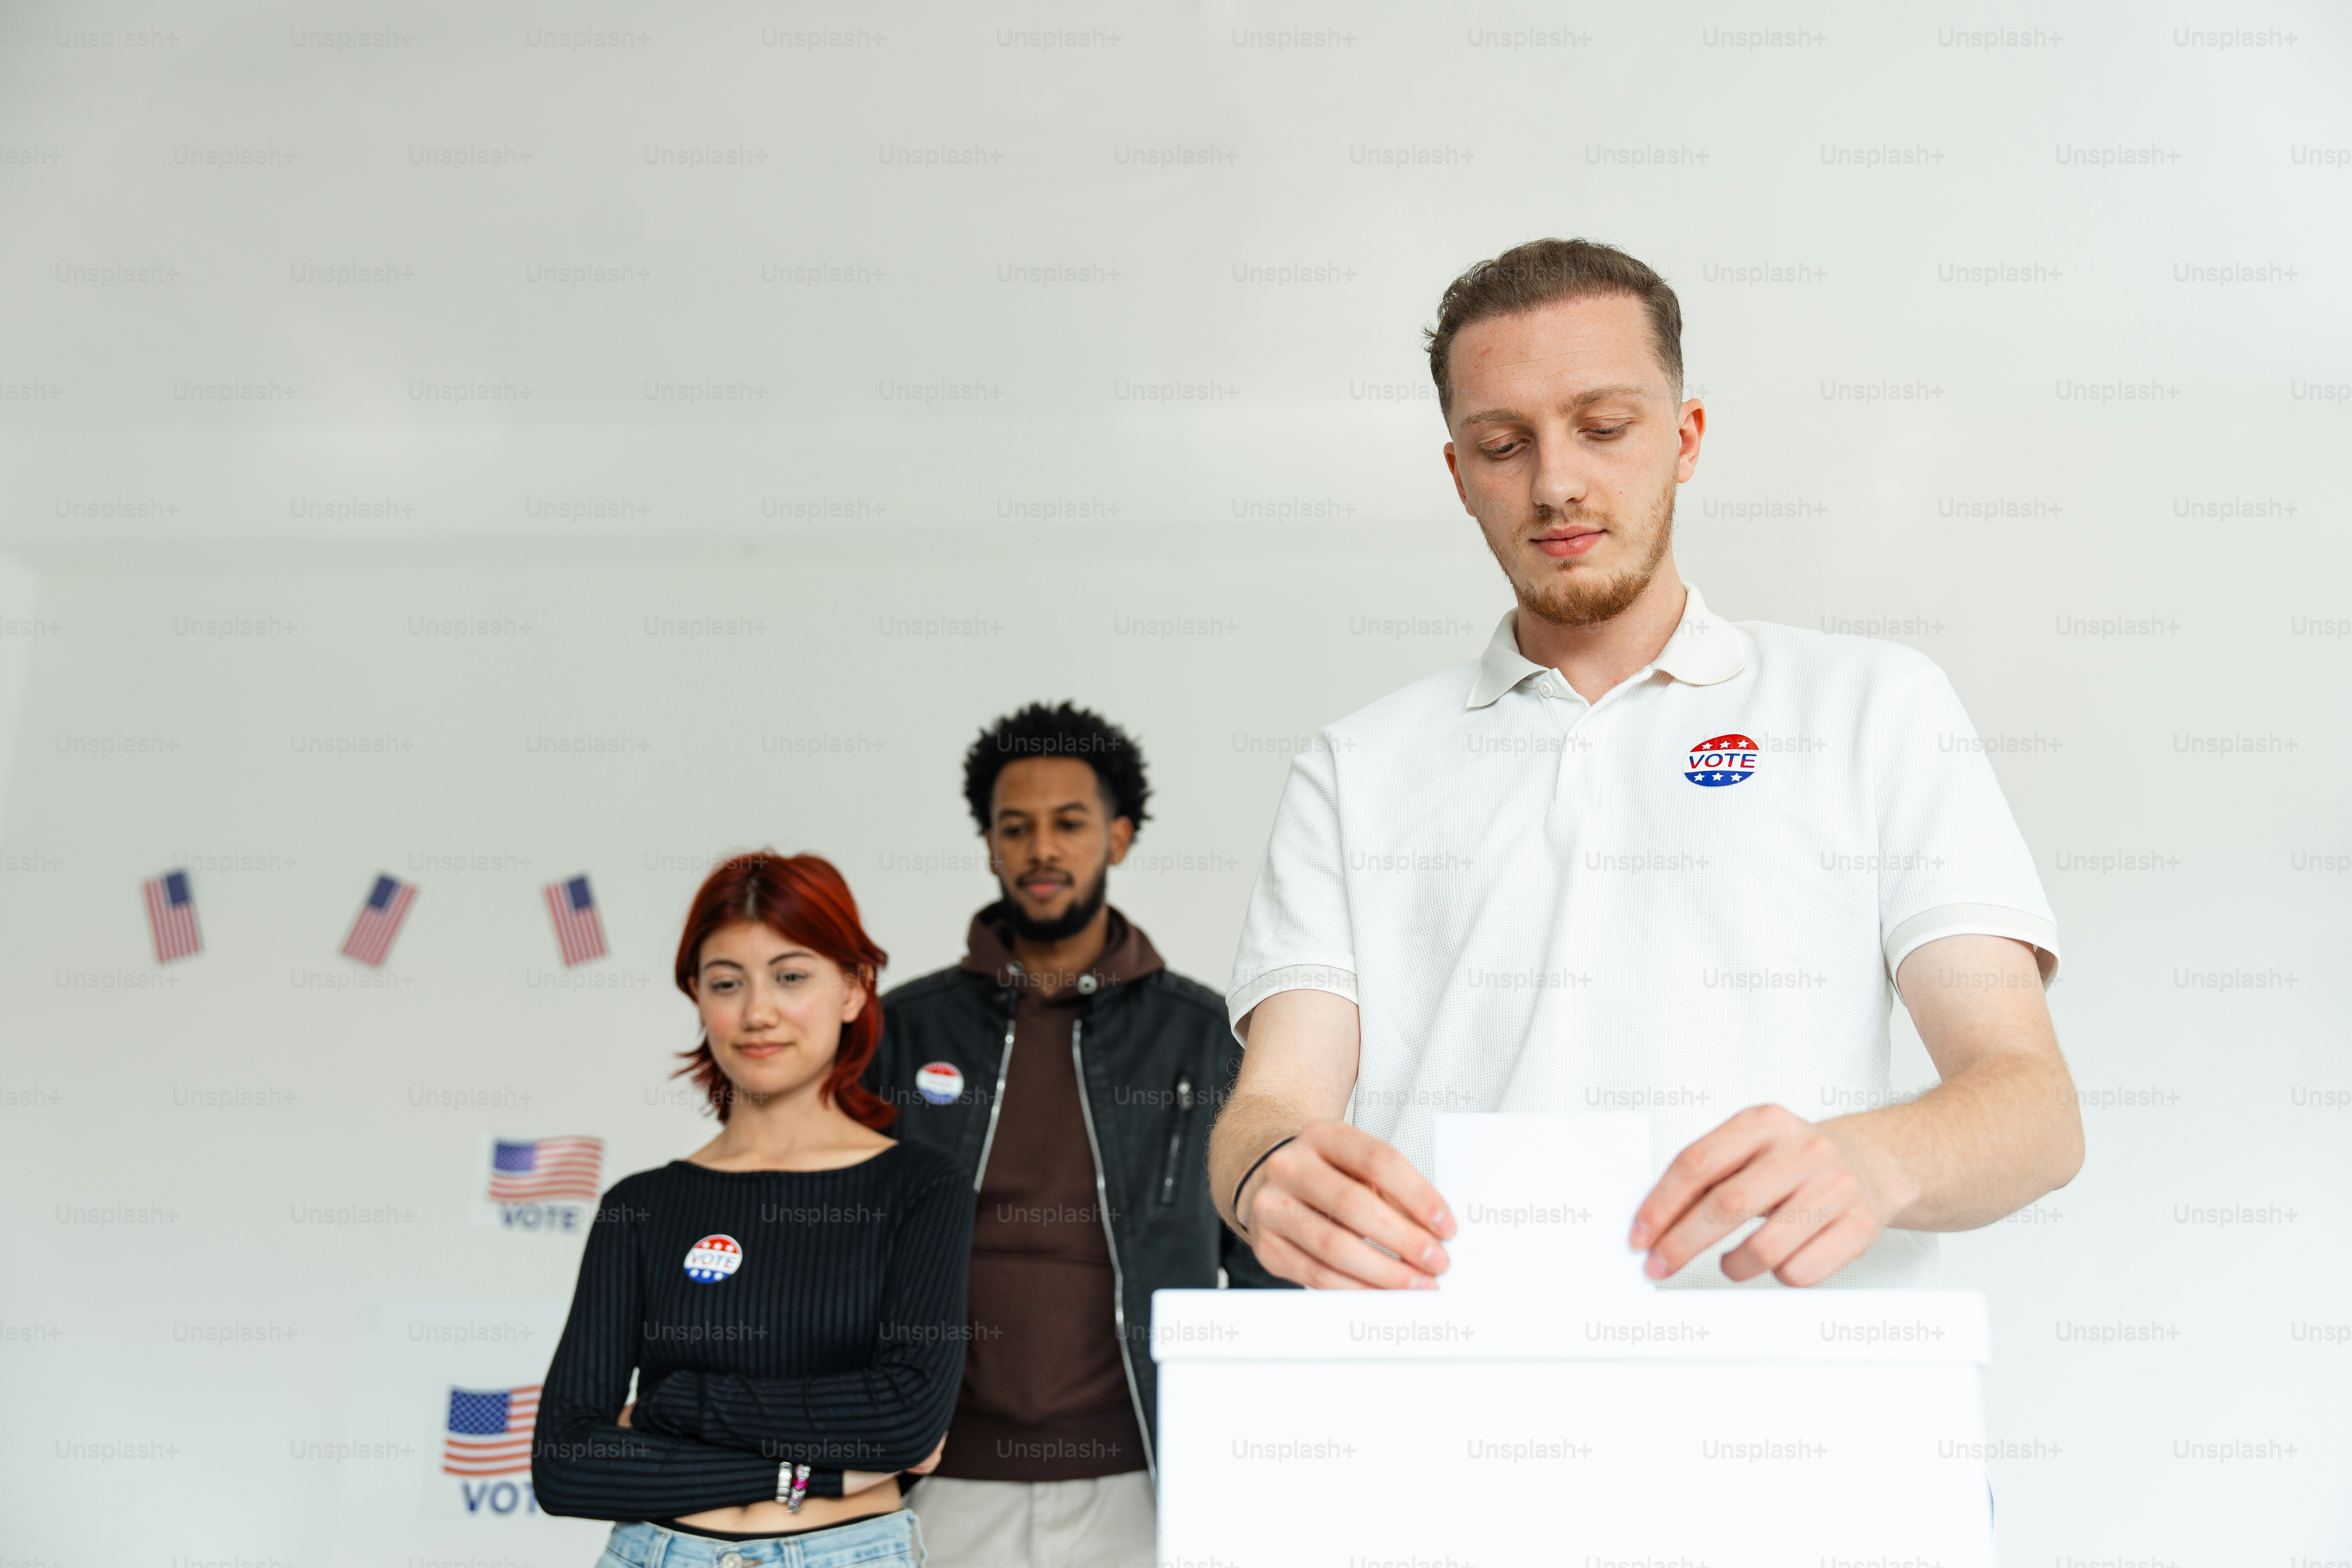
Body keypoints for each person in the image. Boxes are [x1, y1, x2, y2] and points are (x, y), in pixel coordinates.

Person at [1209, 238, 2086, 1294]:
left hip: (1810, 1411)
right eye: (1501, 445)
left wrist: (1875, 1158)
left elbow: (2031, 1105)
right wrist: (1265, 1174)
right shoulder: (1353, 768)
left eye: (1603, 427)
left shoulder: (1870, 708)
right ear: (1457, 475)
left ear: (1685, 437)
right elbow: (1276, 1102)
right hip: (1461, 1410)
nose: (1555, 482)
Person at [863, 702, 1286, 1568]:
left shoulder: (1206, 1037)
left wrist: (1247, 1455)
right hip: (939, 1477)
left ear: (1120, 837)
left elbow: (1264, 1271)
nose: (1042, 850)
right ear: (989, 844)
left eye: (1069, 823)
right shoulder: (902, 1031)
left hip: (1141, 1478)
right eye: (1015, 827)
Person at [534, 852, 973, 1567]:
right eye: (726, 982)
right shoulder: (641, 1205)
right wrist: (812, 1471)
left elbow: (904, 1419)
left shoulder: (921, 1186)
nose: (757, 1011)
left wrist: (669, 1405)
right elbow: (566, 1461)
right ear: (697, 996)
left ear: (855, 989)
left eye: (791, 975)